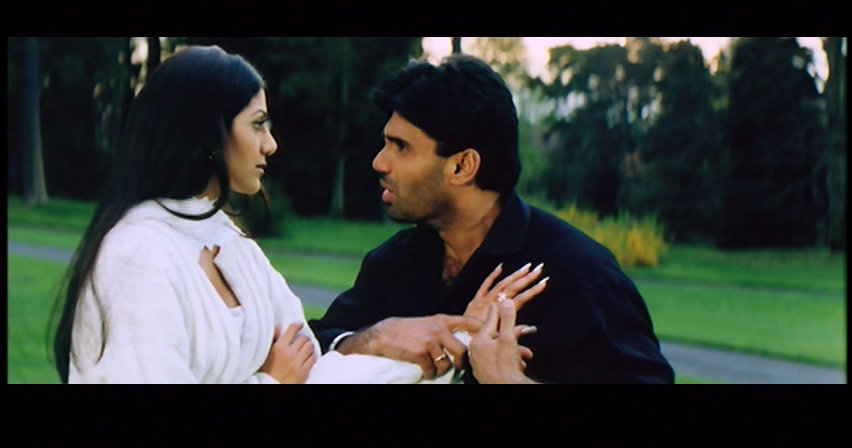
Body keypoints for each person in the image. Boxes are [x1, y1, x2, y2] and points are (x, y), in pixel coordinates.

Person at [51, 45, 514, 384]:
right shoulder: (137, 254)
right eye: (257, 124)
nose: (270, 144)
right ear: (207, 133)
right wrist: (270, 381)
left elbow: (314, 371)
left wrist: (456, 336)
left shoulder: (231, 244)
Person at [308, 53, 675, 384]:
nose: (379, 162)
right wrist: (373, 338)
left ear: (462, 166)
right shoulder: (392, 264)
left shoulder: (580, 274)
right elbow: (307, 351)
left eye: (401, 147)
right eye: (386, 143)